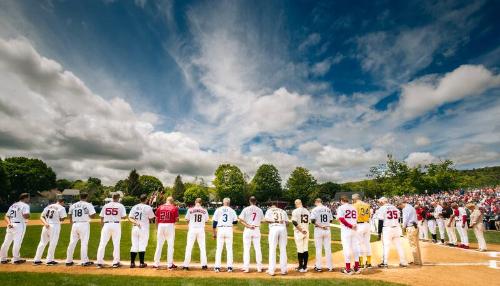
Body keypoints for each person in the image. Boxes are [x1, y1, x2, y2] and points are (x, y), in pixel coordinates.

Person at [33, 196, 67, 265]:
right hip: (54, 226)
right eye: (64, 203)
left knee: (42, 243)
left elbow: (41, 216)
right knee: (53, 243)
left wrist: (45, 223)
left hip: (46, 225)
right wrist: (58, 219)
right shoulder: (61, 208)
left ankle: (36, 259)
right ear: (62, 202)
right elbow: (63, 218)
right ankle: (49, 260)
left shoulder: (49, 206)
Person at [96, 193, 127, 268]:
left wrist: (102, 227)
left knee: (102, 243)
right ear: (118, 198)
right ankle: (115, 262)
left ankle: (99, 262)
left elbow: (101, 217)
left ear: (112, 197)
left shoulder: (106, 205)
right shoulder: (120, 205)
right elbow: (124, 217)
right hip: (116, 225)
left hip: (106, 225)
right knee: (116, 243)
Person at [66, 192, 96, 266]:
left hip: (75, 224)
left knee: (72, 242)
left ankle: (68, 260)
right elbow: (93, 216)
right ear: (87, 197)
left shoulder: (73, 205)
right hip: (84, 224)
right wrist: (88, 214)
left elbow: (69, 215)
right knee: (84, 243)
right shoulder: (88, 205)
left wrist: (71, 224)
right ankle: (84, 261)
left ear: (80, 197)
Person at [0, 193, 30, 264]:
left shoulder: (13, 205)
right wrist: (28, 215)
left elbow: (6, 216)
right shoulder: (25, 205)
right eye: (28, 198)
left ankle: (2, 259)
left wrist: (9, 223)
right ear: (25, 198)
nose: (29, 199)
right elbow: (26, 216)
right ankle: (16, 259)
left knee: (6, 242)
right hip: (19, 225)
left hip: (11, 225)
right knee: (17, 242)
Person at [377, 197, 407, 268]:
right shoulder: (394, 207)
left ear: (382, 202)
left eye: (380, 202)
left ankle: (385, 262)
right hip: (396, 227)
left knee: (386, 246)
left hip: (387, 228)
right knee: (399, 246)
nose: (379, 204)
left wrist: (379, 232)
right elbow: (399, 218)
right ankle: (403, 262)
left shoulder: (382, 208)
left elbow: (380, 221)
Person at [128, 194, 155, 268]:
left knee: (134, 245)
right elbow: (152, 218)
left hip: (135, 227)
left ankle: (132, 263)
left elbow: (130, 217)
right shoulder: (148, 207)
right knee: (142, 245)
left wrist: (136, 222)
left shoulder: (134, 207)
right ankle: (141, 263)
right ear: (146, 199)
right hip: (143, 228)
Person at [238, 196, 264, 273]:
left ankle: (246, 268)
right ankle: (259, 267)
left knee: (246, 249)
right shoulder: (259, 210)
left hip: (248, 229)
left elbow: (240, 220)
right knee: (258, 249)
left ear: (249, 201)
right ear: (256, 201)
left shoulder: (246, 209)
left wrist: (248, 225)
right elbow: (262, 220)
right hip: (256, 229)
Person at [182, 198, 209, 270]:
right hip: (201, 229)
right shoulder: (204, 210)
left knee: (189, 247)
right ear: (201, 203)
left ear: (195, 202)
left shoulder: (190, 210)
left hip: (192, 229)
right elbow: (206, 221)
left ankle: (185, 265)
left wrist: (190, 225)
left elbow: (187, 220)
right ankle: (204, 265)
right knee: (202, 247)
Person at [212, 197, 238, 272]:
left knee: (219, 249)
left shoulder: (218, 209)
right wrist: (229, 222)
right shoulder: (232, 210)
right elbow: (235, 222)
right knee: (229, 249)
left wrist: (214, 233)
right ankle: (229, 267)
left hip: (220, 229)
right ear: (229, 203)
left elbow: (214, 223)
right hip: (229, 229)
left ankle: (217, 267)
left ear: (223, 202)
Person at [153, 196, 179, 269]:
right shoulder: (174, 207)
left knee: (159, 245)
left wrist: (156, 229)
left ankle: (156, 264)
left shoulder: (160, 207)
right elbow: (177, 219)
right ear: (172, 201)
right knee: (170, 246)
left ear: (166, 200)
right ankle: (169, 264)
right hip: (169, 226)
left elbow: (156, 219)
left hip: (161, 226)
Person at [337, 196, 360, 275]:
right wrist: (353, 225)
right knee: (355, 248)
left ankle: (348, 269)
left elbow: (341, 219)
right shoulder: (353, 207)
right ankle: (357, 267)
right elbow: (356, 219)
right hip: (354, 229)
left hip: (346, 230)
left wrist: (350, 226)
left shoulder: (341, 207)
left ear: (341, 200)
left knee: (347, 249)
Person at [265, 202, 288, 276]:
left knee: (272, 249)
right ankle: (283, 270)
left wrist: (275, 221)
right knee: (283, 249)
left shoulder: (269, 210)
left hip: (274, 228)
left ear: (271, 206)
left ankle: (271, 270)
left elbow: (266, 220)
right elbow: (287, 223)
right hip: (282, 228)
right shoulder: (283, 211)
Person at [310, 198, 333, 272]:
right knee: (328, 248)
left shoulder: (314, 209)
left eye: (315, 202)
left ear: (317, 202)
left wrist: (320, 225)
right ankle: (330, 267)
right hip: (327, 229)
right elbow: (331, 220)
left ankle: (319, 267)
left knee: (319, 249)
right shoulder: (328, 209)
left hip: (319, 229)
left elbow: (313, 221)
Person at [398, 201, 421, 266]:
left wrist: (403, 228)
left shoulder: (405, 209)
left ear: (401, 204)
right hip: (415, 227)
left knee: (413, 245)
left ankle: (416, 262)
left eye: (400, 206)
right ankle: (418, 261)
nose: (400, 207)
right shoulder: (411, 207)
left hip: (411, 227)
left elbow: (405, 219)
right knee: (416, 245)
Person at [352, 193, 372, 268]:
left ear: (355, 199)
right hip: (367, 224)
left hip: (359, 225)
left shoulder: (354, 205)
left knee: (358, 244)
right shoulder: (367, 204)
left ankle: (360, 263)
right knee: (367, 243)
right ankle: (369, 262)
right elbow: (369, 215)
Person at [291, 199, 310, 273]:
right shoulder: (307, 211)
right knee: (305, 249)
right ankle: (305, 267)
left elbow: (294, 221)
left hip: (299, 232)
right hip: (306, 231)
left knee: (300, 249)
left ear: (296, 203)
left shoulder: (295, 211)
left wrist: (301, 229)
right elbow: (309, 223)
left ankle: (300, 267)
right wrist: (304, 229)